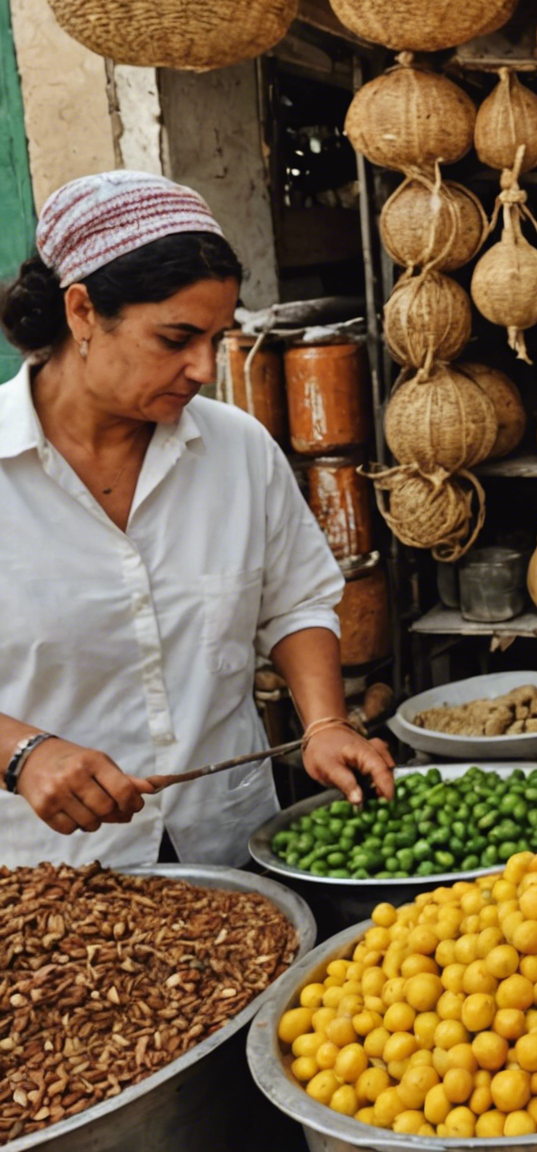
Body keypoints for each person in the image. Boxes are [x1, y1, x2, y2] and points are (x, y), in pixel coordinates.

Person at [0, 171, 394, 867]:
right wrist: (21, 753)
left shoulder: (237, 450)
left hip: (228, 846)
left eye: (217, 337)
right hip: (47, 872)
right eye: (177, 337)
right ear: (83, 311)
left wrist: (326, 722)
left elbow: (297, 600)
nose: (205, 368)